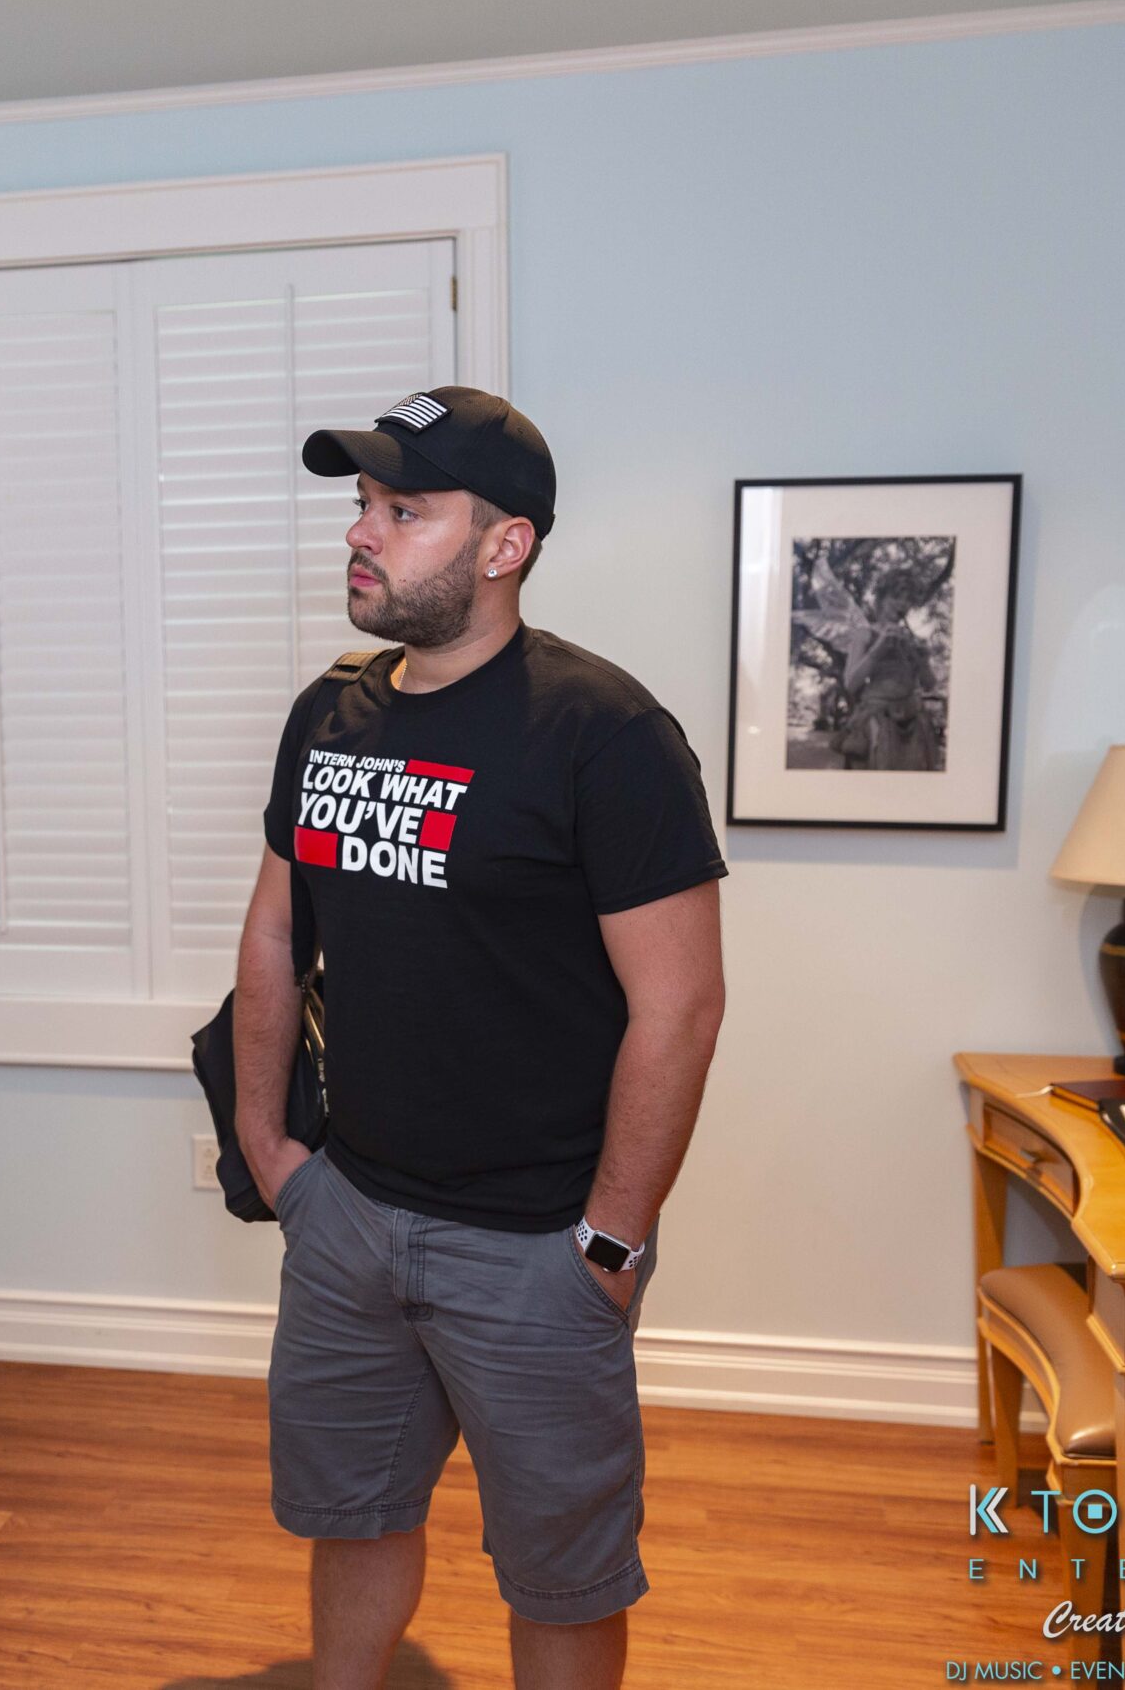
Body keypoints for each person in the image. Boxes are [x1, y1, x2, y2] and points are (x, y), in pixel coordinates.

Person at [236, 387, 728, 1690]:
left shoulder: (604, 734)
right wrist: (270, 1147)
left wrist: (609, 1240)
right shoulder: (328, 715)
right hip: (348, 1215)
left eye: (405, 510)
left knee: (560, 1570)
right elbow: (276, 930)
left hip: (535, 1248)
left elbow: (682, 1004)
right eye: (362, 504)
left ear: (505, 545)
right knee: (352, 1515)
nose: (363, 531)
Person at [836, 579, 940, 771]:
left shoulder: (913, 639)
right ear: (881, 599)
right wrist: (877, 650)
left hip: (914, 721)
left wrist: (921, 660)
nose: (903, 604)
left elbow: (929, 684)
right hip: (878, 720)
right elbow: (851, 684)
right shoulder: (865, 633)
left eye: (908, 599)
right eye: (896, 596)